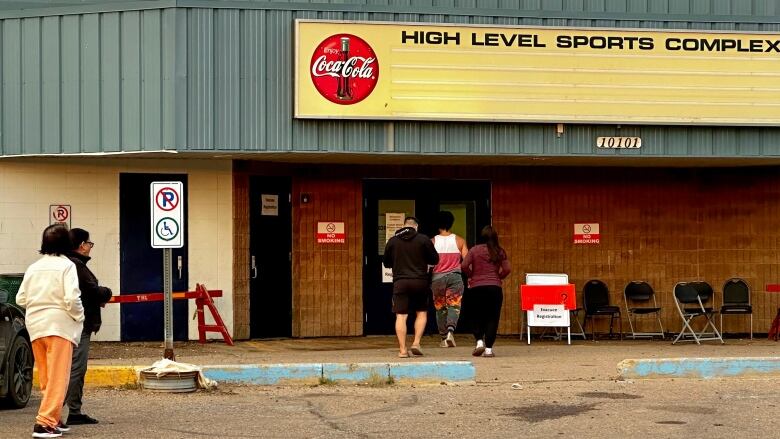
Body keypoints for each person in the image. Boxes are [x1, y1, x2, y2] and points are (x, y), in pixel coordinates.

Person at [16, 224, 84, 438]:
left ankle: (54, 417)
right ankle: (44, 423)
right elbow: (72, 298)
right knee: (58, 377)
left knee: (46, 375)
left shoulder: (33, 267)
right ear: (68, 244)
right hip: (59, 325)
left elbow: (21, 299)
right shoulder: (67, 266)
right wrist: (79, 316)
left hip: (36, 325)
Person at [64, 228, 113, 426]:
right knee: (77, 368)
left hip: (68, 324)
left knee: (70, 367)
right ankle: (72, 411)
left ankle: (66, 410)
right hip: (78, 325)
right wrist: (106, 292)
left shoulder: (69, 264)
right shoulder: (76, 265)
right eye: (89, 243)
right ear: (81, 245)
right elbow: (90, 291)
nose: (90, 247)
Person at [383, 216, 439, 358]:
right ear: (416, 227)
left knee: (401, 316)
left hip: (400, 282)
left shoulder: (393, 241)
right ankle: (416, 343)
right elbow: (435, 259)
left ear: (403, 226)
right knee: (421, 312)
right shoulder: (423, 239)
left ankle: (402, 350)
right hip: (420, 281)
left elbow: (387, 263)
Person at [461, 226, 511, 358]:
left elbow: (464, 266)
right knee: (492, 318)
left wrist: (472, 275)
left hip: (476, 288)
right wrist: (497, 277)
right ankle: (488, 349)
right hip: (494, 289)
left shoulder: (474, 250)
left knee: (476, 315)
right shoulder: (499, 251)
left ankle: (478, 342)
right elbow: (507, 269)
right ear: (495, 237)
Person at [430, 211, 468, 348]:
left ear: (437, 224)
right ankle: (451, 331)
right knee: (454, 305)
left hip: (437, 279)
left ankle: (443, 337)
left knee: (440, 308)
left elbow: (428, 264)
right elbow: (466, 262)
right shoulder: (460, 241)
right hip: (455, 277)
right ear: (451, 223)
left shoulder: (432, 242)